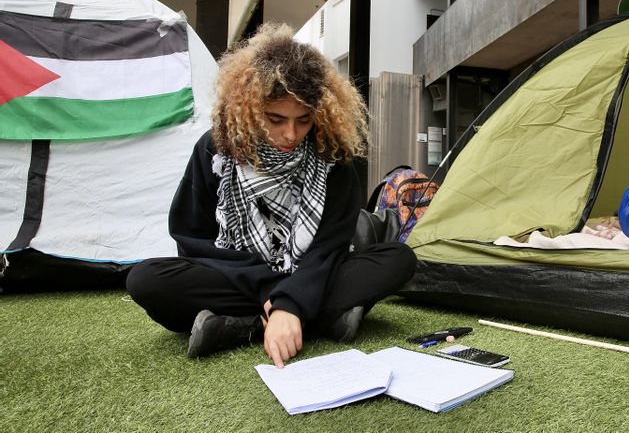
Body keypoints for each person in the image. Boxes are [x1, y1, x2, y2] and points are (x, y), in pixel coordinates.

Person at [126, 23, 416, 367]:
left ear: (320, 114)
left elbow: (327, 249)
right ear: (249, 108)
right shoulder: (214, 151)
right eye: (275, 119)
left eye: (303, 120)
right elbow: (192, 241)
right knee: (146, 280)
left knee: (399, 259)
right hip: (240, 276)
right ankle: (316, 317)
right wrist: (272, 293)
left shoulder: (333, 158)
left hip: (310, 272)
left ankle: (241, 326)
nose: (290, 133)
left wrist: (288, 300)